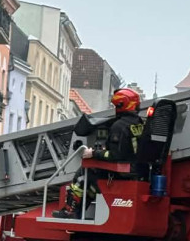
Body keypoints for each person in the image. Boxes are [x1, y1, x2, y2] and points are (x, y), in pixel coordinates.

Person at [59, 88, 146, 219]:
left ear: (121, 105)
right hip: (136, 169)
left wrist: (94, 153)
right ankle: (79, 212)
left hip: (121, 172)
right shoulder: (139, 123)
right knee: (92, 183)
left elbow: (116, 156)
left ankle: (70, 211)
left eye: (115, 105)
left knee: (83, 174)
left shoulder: (119, 126)